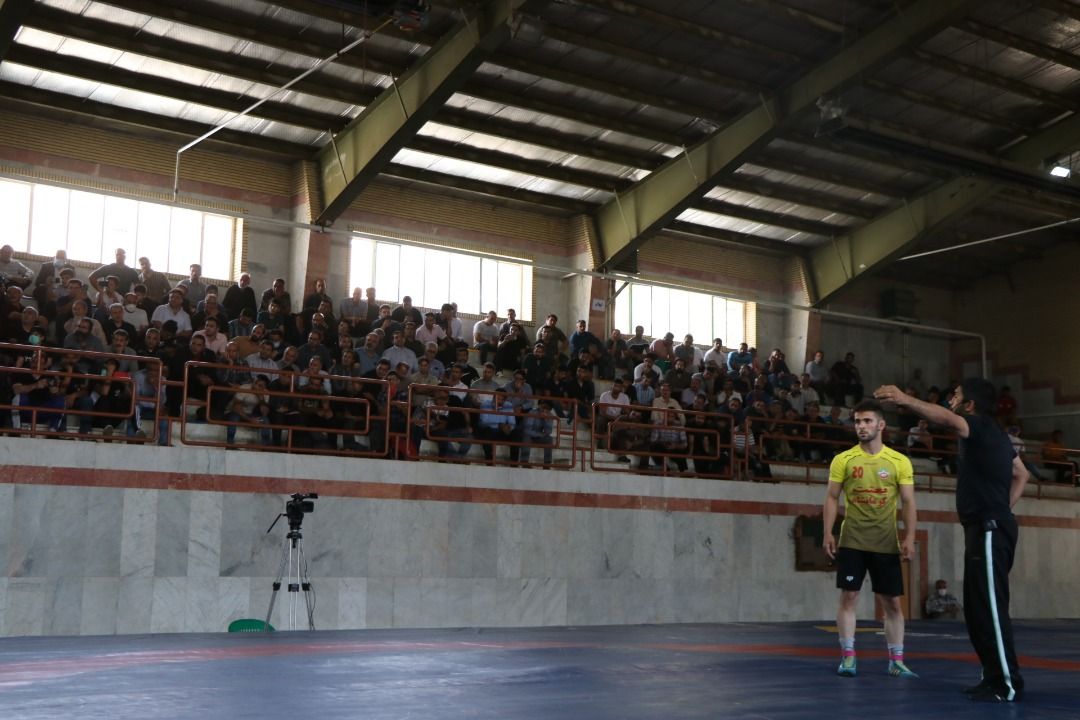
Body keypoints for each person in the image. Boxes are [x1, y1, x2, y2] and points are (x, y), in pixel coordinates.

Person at [874, 379, 1028, 703]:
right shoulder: (997, 436)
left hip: (990, 528)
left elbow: (946, 419)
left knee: (990, 608)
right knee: (977, 609)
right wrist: (1002, 508)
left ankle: (1007, 684)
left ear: (970, 405)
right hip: (986, 527)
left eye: (956, 396)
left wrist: (904, 399)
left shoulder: (979, 425)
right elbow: (1021, 474)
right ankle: (992, 677)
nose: (951, 401)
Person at [822, 399, 918, 680]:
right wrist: (827, 532)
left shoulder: (899, 461)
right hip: (852, 539)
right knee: (849, 596)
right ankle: (848, 657)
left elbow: (908, 501)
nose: (861, 426)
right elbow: (832, 497)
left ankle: (896, 661)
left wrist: (910, 537)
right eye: (857, 421)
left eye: (867, 421)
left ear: (881, 425)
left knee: (892, 603)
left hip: (886, 542)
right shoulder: (843, 459)